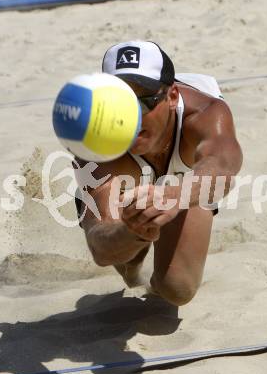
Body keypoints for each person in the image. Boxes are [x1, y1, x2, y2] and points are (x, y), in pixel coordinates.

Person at [74, 41, 243, 306]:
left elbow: (223, 170)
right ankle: (136, 260)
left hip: (185, 178)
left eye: (143, 103)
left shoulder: (205, 113)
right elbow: (100, 247)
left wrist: (173, 196)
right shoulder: (93, 142)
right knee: (127, 262)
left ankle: (152, 272)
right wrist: (134, 231)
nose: (130, 117)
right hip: (133, 180)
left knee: (176, 288)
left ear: (172, 96)